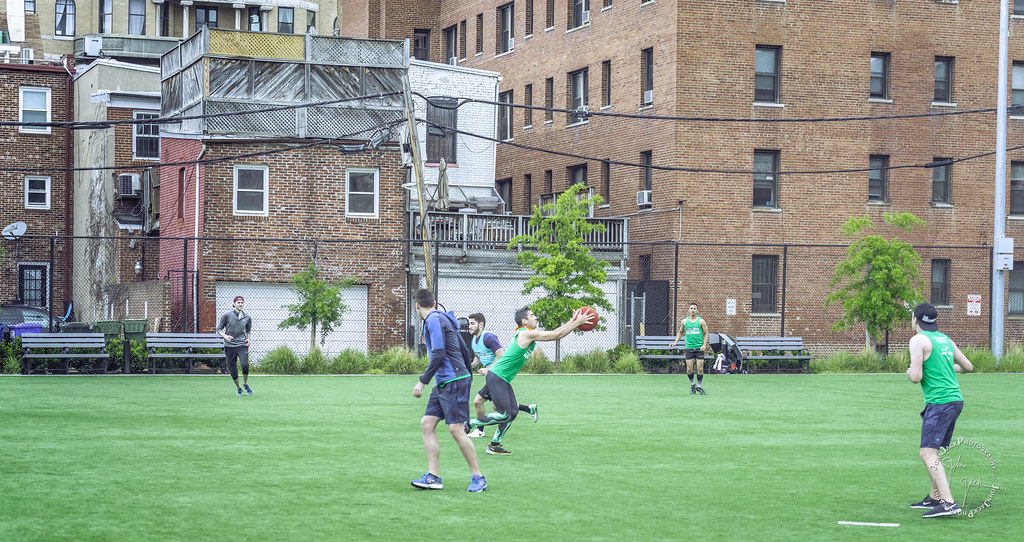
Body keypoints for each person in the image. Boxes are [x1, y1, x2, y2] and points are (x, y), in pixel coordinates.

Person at [468, 306, 593, 455]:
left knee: (513, 411)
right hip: (497, 376)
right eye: (532, 315)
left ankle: (495, 445)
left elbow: (556, 333)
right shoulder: (526, 334)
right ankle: (468, 425)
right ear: (524, 321)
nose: (536, 318)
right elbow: (556, 335)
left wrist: (573, 321)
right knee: (505, 414)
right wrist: (576, 323)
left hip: (502, 378)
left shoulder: (525, 333)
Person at [410, 289, 486, 493]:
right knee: (427, 423)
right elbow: (463, 349)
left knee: (456, 430)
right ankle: (433, 477)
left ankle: (478, 477)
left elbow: (439, 353)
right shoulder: (442, 319)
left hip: (453, 381)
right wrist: (468, 375)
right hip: (445, 381)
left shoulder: (434, 320)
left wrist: (422, 381)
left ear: (416, 305)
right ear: (433, 302)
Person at [906, 302, 973, 518]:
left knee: (927, 453)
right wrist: (947, 367)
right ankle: (935, 497)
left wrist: (909, 372)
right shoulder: (945, 339)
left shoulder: (918, 340)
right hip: (955, 401)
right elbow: (968, 367)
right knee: (933, 451)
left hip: (940, 403)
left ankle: (948, 503)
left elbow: (916, 377)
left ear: (915, 320)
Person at [465, 313, 537, 439]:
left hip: (496, 375)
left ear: (481, 324)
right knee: (498, 407)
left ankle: (479, 430)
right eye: (469, 323)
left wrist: (488, 369)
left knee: (478, 401)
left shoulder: (489, 337)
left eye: (472, 323)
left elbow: (500, 354)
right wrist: (466, 368)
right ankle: (529, 409)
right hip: (493, 377)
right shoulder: (474, 341)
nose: (469, 326)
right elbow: (478, 359)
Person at [669, 302, 709, 395]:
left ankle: (699, 387)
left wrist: (704, 345)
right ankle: (692, 385)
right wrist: (675, 342)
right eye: (691, 308)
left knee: (700, 368)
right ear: (689, 310)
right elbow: (680, 332)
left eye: (694, 308)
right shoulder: (684, 321)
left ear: (697, 310)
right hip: (689, 348)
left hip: (699, 348)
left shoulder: (701, 321)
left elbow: (706, 333)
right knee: (689, 369)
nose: (693, 310)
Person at [217, 295, 253, 396]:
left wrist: (248, 339)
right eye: (238, 302)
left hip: (242, 344)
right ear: (234, 304)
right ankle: (239, 388)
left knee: (245, 365)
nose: (240, 304)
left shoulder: (247, 317)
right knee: (233, 369)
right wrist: (225, 336)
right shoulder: (227, 316)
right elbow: (219, 329)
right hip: (229, 345)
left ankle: (245, 384)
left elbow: (248, 330)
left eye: (242, 302)